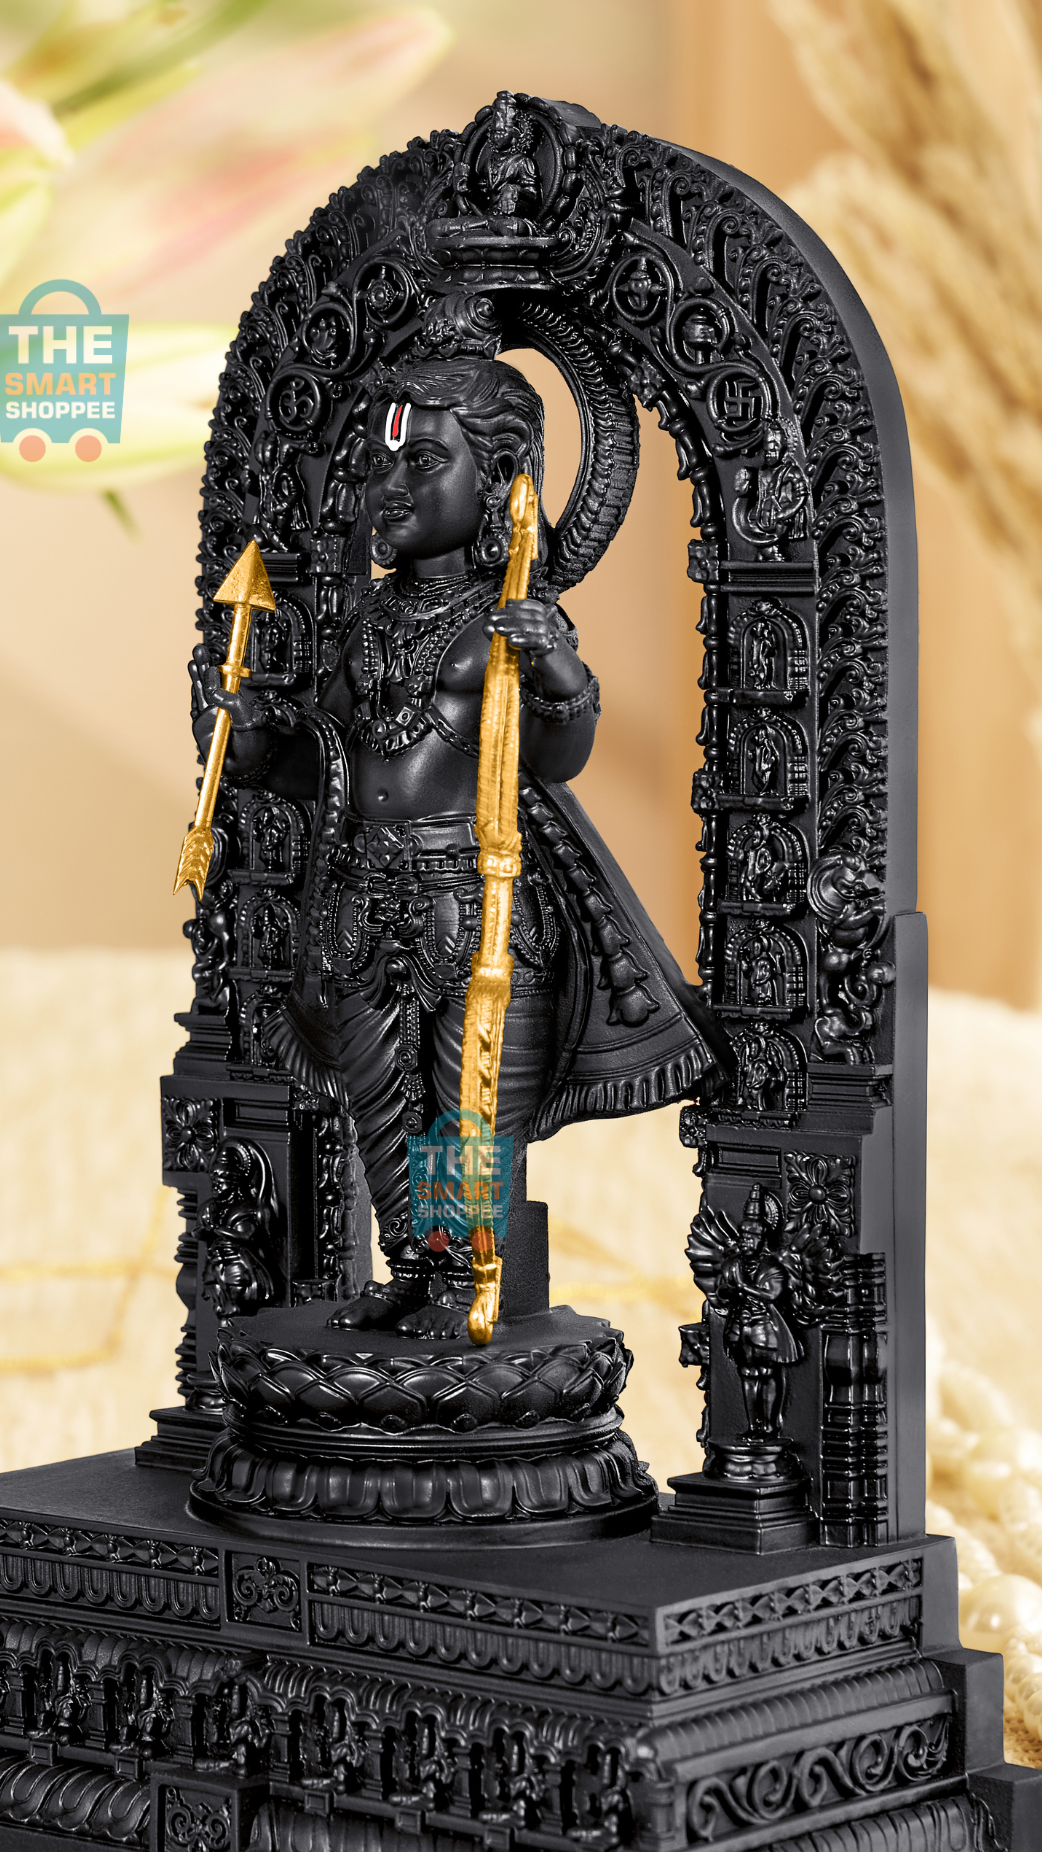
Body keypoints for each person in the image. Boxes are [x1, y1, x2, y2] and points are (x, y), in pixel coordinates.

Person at [196, 355, 725, 1338]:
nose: (387, 488)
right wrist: (259, 744)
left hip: (475, 901)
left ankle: (464, 1276)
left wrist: (556, 669)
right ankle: (411, 1265)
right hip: (365, 897)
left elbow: (557, 758)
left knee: (465, 1104)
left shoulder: (507, 618)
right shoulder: (369, 620)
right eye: (376, 466)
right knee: (379, 1101)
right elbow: (339, 755)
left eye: (422, 463)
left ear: (496, 482)